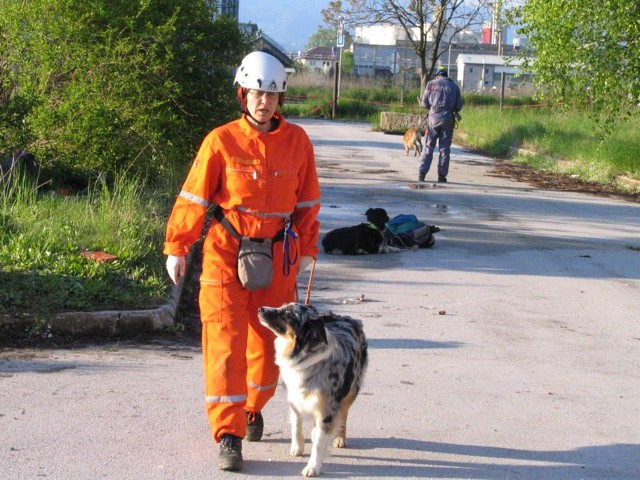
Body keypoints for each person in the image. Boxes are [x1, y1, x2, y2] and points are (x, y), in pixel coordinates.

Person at [163, 51, 320, 472]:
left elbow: (307, 204)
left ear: (280, 99)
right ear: (242, 94)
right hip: (224, 253)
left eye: (271, 94)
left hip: (278, 256)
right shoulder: (220, 140)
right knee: (224, 345)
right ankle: (228, 435)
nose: (263, 101)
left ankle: (253, 408)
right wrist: (177, 246)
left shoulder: (297, 142)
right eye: (255, 93)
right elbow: (194, 196)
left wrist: (307, 249)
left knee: (272, 350)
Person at [418, 65, 463, 183]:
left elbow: (424, 103)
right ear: (446, 75)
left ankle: (422, 174)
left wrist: (433, 108)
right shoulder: (454, 86)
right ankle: (441, 176)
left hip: (433, 119)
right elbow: (459, 106)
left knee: (428, 146)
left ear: (437, 75)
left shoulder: (431, 84)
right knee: (444, 148)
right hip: (448, 120)